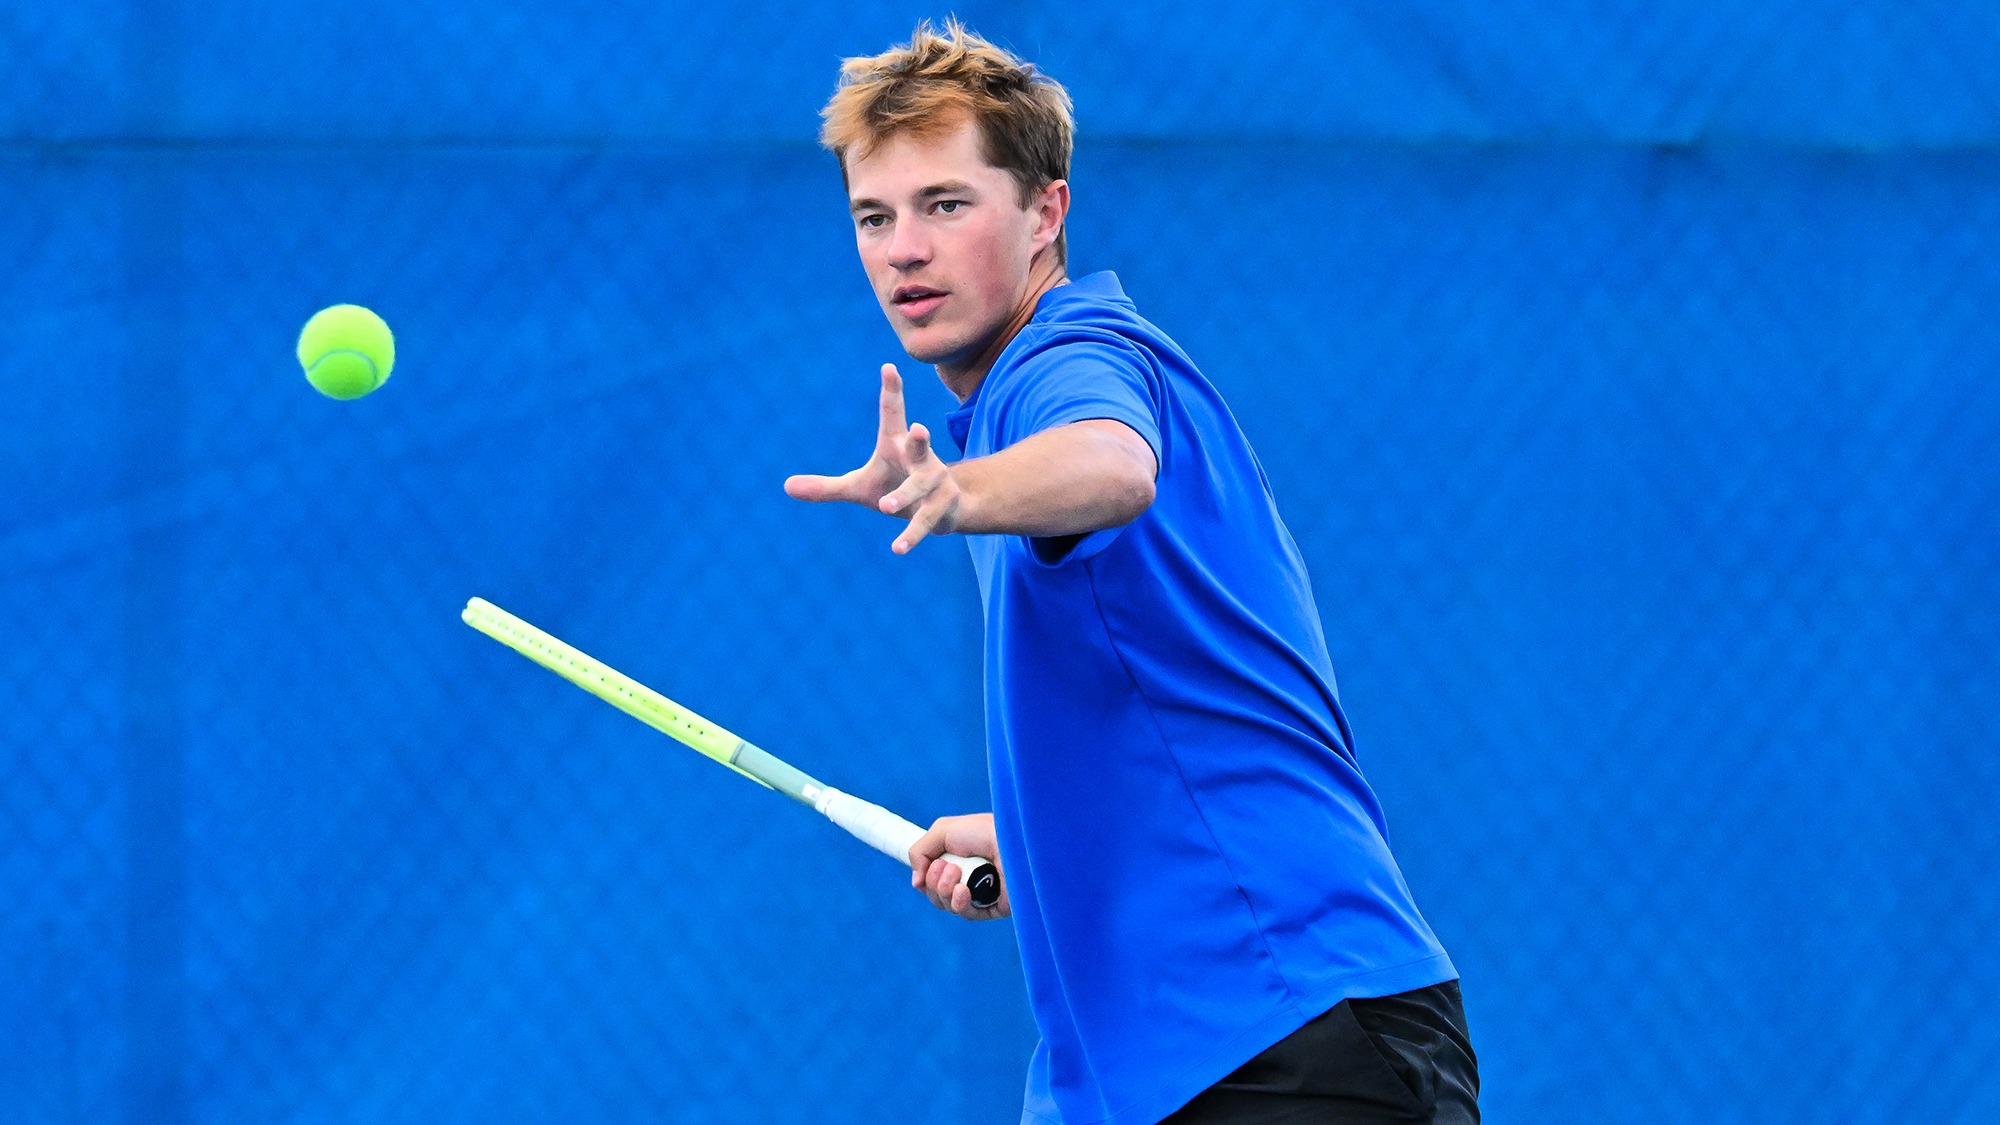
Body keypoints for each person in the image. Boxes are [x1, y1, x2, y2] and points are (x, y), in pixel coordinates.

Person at [785, 21, 1479, 1125]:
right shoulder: (1009, 401)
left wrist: (961, 492)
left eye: (946, 205)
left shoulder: (1068, 362)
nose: (902, 249)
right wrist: (1038, 837)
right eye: (875, 216)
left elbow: (1110, 467)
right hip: (1162, 1065)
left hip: (1283, 1038)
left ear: (1044, 212)